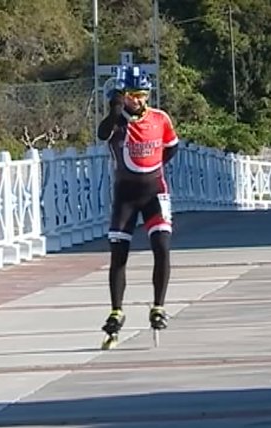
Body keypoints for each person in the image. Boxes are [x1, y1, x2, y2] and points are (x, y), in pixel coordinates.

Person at [96, 66, 179, 348]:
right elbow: (102, 133)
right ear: (123, 96)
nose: (139, 101)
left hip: (155, 191)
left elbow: (172, 146)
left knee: (162, 246)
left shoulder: (160, 118)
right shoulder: (118, 124)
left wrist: (155, 171)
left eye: (143, 95)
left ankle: (158, 306)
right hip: (125, 196)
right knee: (119, 255)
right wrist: (115, 111)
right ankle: (116, 310)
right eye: (132, 96)